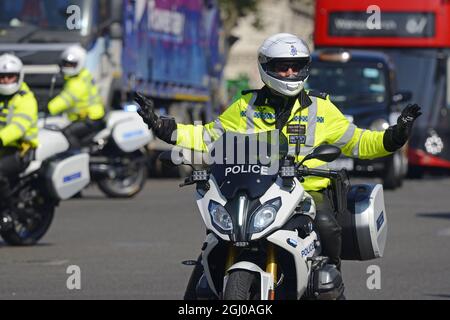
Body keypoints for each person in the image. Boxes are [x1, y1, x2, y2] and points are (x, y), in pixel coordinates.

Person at [135, 33, 422, 298]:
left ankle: (329, 283)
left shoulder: (321, 109)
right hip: (255, 187)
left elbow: (360, 142)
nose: (290, 73)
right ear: (266, 67)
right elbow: (207, 135)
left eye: (296, 67)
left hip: (307, 191)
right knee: (216, 236)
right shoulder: (246, 106)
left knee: (325, 224)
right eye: (283, 67)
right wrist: (163, 128)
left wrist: (395, 136)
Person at [0, 53, 38, 212]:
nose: (6, 80)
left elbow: (18, 127)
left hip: (20, 150)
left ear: (19, 76)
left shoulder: (26, 99)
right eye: (2, 77)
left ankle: (8, 209)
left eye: (10, 76)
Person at [48, 44, 105, 148]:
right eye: (65, 64)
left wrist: (47, 107)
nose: (67, 67)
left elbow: (65, 100)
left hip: (91, 118)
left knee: (67, 132)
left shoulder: (78, 83)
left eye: (71, 65)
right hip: (87, 117)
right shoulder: (82, 75)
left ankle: (77, 154)